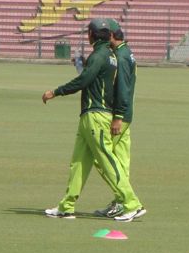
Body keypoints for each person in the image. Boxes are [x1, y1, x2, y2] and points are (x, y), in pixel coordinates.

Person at [42, 18, 145, 222]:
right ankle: (66, 206)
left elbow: (85, 80)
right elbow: (94, 79)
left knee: (105, 160)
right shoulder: (111, 55)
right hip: (92, 115)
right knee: (79, 162)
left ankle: (131, 203)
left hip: (96, 115)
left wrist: (56, 92)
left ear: (91, 34)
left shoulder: (101, 55)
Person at [94, 20, 139, 219]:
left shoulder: (120, 57)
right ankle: (120, 202)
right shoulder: (126, 52)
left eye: (105, 35)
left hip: (120, 115)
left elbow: (122, 87)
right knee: (121, 161)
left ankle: (126, 201)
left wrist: (117, 117)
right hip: (127, 113)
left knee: (104, 159)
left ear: (112, 35)